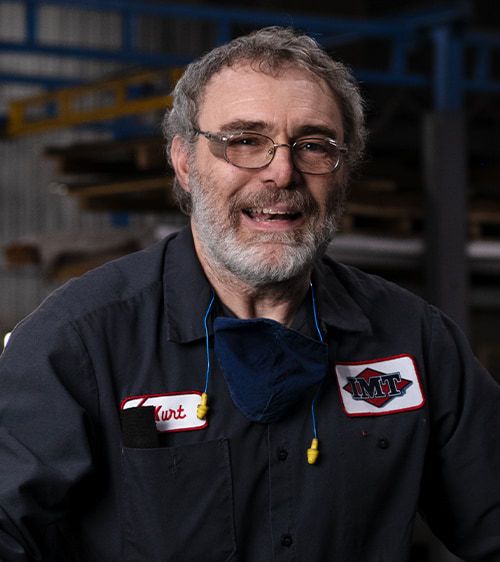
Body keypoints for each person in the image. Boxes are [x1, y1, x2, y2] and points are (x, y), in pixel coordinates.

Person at [0, 26, 499, 562]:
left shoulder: (413, 341)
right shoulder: (81, 342)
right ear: (186, 162)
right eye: (244, 141)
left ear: (344, 168)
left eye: (313, 145)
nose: (281, 172)